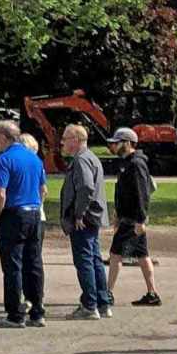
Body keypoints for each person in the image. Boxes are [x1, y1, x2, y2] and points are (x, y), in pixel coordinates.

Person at [0, 121, 48, 328]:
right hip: (33, 212)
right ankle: (37, 310)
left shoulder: (4, 160)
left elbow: (0, 193)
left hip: (13, 214)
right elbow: (43, 189)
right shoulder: (34, 159)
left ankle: (15, 314)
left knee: (12, 265)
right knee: (34, 263)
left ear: (4, 137)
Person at [60, 123, 111, 320]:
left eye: (66, 138)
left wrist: (79, 214)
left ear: (77, 140)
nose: (62, 142)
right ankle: (102, 302)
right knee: (95, 259)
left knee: (84, 261)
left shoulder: (81, 160)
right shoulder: (91, 158)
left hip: (84, 219)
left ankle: (90, 305)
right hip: (94, 217)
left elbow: (86, 188)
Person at [105, 127, 160, 307]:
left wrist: (140, 220)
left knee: (115, 254)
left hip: (132, 220)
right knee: (142, 255)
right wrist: (117, 213)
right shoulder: (128, 163)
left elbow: (141, 193)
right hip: (128, 217)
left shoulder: (135, 164)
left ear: (128, 143)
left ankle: (108, 293)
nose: (113, 146)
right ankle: (152, 293)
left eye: (117, 143)